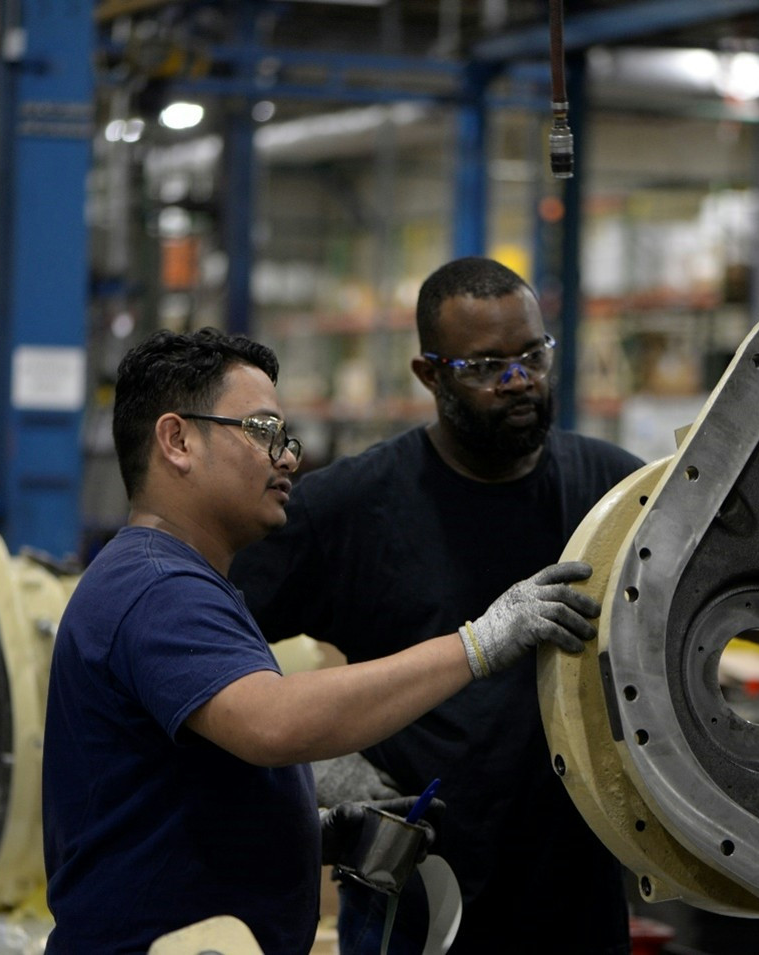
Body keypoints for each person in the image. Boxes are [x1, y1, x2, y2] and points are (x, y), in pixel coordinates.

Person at [41, 327, 604, 954]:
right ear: (177, 441)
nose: (287, 458)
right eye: (262, 432)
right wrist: (479, 644)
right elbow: (272, 724)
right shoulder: (158, 585)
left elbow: (172, 802)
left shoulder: (184, 583)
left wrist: (317, 831)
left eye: (286, 439)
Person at [230, 257, 645, 955]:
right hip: (418, 888)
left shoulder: (613, 494)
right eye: (486, 365)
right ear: (429, 374)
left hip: (575, 886)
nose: (518, 381)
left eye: (531, 355)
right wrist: (314, 763)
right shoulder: (354, 507)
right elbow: (210, 642)